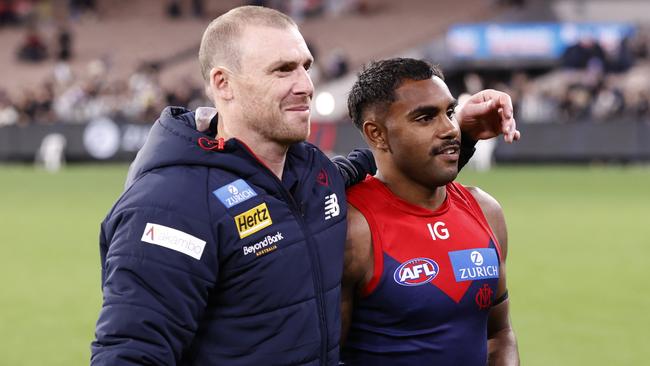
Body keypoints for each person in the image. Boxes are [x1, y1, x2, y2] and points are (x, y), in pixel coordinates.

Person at [90, 6, 519, 365]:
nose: (305, 86)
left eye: (306, 67)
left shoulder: (313, 176)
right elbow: (131, 351)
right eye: (283, 70)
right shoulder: (171, 204)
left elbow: (394, 164)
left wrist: (456, 133)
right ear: (223, 84)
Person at [341, 58, 519, 365]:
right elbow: (321, 355)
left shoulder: (485, 210)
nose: (450, 129)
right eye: (425, 118)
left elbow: (499, 334)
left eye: (449, 113)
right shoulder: (353, 229)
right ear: (376, 134)